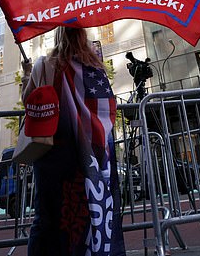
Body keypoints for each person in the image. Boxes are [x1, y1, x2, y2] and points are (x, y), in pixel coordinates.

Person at [21, 26, 126, 256]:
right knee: (88, 211)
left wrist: (27, 75)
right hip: (91, 155)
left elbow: (28, 100)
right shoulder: (96, 68)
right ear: (83, 36)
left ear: (58, 36)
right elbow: (106, 110)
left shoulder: (44, 65)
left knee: (47, 215)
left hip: (53, 152)